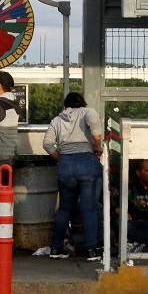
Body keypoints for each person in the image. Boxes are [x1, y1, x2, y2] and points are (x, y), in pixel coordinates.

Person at [43, 92, 103, 261]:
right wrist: (97, 145)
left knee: (64, 209)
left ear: (65, 106)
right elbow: (94, 123)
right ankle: (92, 250)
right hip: (87, 161)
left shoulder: (57, 120)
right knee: (89, 208)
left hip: (66, 165)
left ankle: (56, 248)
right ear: (82, 103)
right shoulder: (87, 112)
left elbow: (47, 144)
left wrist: (60, 158)